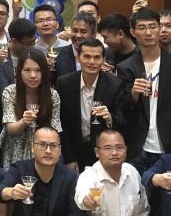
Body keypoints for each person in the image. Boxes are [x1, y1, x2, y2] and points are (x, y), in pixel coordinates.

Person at [118, 8, 171, 170]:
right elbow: (122, 110)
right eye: (142, 27)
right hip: (138, 146)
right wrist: (133, 94)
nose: (148, 32)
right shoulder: (126, 67)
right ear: (133, 32)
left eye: (153, 26)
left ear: (159, 28)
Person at [55, 39, 130, 172]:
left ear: (103, 60)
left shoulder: (115, 85)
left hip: (103, 150)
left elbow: (124, 122)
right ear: (78, 58)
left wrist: (109, 117)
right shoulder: (64, 83)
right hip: (74, 149)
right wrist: (69, 158)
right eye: (87, 56)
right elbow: (62, 123)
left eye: (97, 57)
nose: (92, 62)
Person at [0, 48, 62, 169]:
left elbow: (55, 130)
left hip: (44, 151)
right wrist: (23, 122)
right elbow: (11, 129)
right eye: (27, 70)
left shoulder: (53, 95)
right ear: (19, 71)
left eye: (38, 70)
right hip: (15, 152)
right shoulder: (10, 92)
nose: (33, 75)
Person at [0, 17, 35, 91]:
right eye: (28, 43)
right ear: (14, 41)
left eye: (33, 42)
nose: (31, 46)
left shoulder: (36, 53)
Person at [54, 11, 97, 80]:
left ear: (93, 35)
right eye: (75, 31)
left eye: (83, 31)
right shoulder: (56, 55)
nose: (78, 35)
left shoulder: (100, 56)